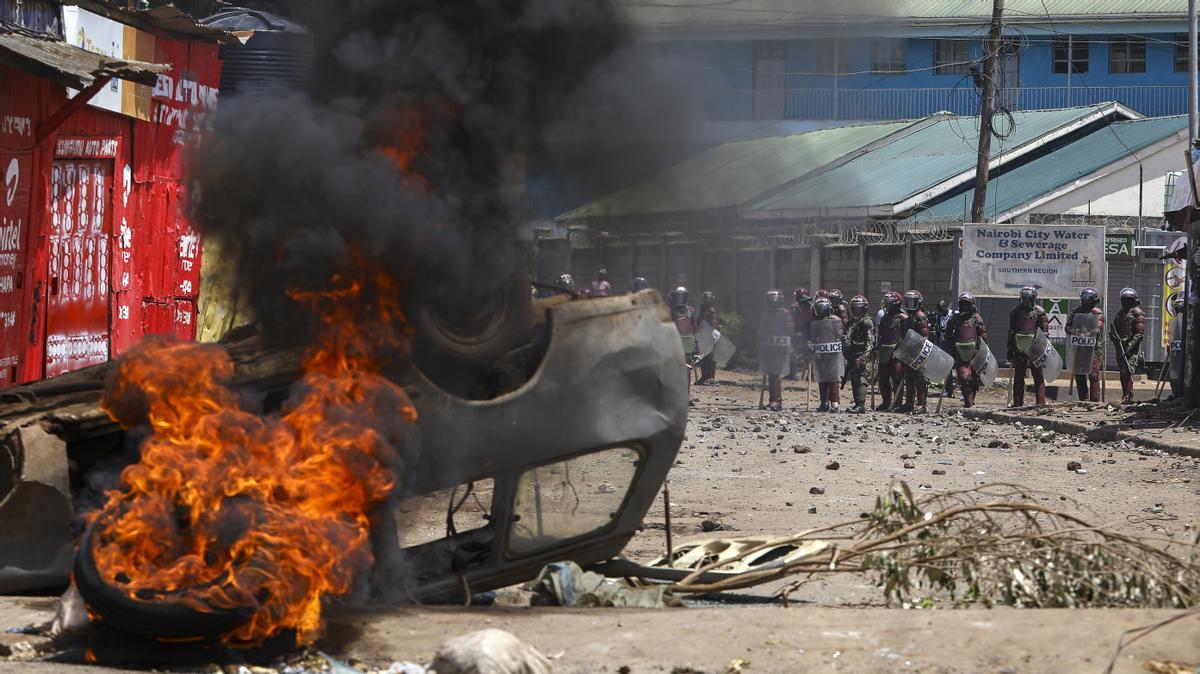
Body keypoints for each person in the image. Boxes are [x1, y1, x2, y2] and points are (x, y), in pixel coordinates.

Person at [1008, 286, 1050, 407]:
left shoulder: (1039, 312)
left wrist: (1043, 349)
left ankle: (1040, 403)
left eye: (1029, 298)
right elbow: (1011, 331)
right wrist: (1010, 348)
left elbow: (1045, 332)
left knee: (1038, 377)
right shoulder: (1015, 311)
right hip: (1019, 348)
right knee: (1019, 377)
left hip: (1035, 349)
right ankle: (1017, 403)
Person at [946, 292, 988, 408]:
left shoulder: (976, 318)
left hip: (974, 352)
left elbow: (983, 334)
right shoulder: (955, 318)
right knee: (964, 378)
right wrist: (952, 344)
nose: (964, 306)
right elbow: (948, 333)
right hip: (960, 351)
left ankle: (971, 400)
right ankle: (968, 403)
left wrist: (982, 348)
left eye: (967, 304)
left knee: (974, 379)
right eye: (962, 304)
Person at [1066, 288, 1105, 402]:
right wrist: (1074, 331)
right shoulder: (1076, 311)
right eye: (1085, 298)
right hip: (1079, 348)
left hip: (1093, 348)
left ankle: (1094, 401)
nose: (1086, 301)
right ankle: (1083, 400)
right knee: (1079, 374)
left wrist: (1088, 333)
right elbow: (1068, 326)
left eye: (1089, 298)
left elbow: (1098, 327)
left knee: (1093, 375)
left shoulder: (1097, 313)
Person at [759, 289, 794, 412]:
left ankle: (776, 401)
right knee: (771, 375)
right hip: (768, 349)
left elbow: (790, 330)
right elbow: (762, 330)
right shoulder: (766, 315)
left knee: (774, 375)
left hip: (780, 349)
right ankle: (773, 400)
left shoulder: (785, 314)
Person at [875, 291, 909, 411]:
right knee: (883, 377)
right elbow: (881, 334)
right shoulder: (884, 318)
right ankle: (886, 401)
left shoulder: (904, 318)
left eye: (889, 303)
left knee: (897, 376)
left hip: (898, 352)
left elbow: (907, 337)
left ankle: (897, 402)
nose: (886, 306)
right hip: (885, 351)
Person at [1110, 287, 1146, 403]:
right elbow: (1114, 329)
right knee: (1122, 371)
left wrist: (1129, 347)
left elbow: (1139, 334)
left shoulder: (1137, 313)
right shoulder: (1120, 313)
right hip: (1120, 347)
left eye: (1129, 300)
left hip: (1132, 348)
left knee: (1128, 370)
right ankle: (1124, 393)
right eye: (1125, 300)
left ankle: (1128, 395)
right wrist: (1114, 339)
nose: (1127, 302)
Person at [843, 294, 876, 414]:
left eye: (859, 308)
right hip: (852, 354)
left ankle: (861, 405)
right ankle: (857, 403)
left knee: (860, 378)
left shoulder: (867, 322)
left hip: (861, 353)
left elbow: (870, 341)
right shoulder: (852, 322)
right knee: (854, 379)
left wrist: (865, 357)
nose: (856, 310)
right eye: (854, 308)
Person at [900, 290, 930, 414]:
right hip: (909, 352)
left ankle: (921, 404)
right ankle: (909, 404)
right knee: (909, 379)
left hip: (919, 353)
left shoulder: (920, 317)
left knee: (920, 379)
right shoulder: (908, 317)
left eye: (913, 302)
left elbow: (924, 338)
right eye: (908, 301)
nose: (910, 304)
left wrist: (917, 353)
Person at [932, 299, 956, 397]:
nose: (941, 312)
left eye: (942, 309)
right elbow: (938, 329)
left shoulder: (953, 315)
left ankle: (963, 391)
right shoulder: (939, 316)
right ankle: (948, 389)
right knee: (946, 367)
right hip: (943, 344)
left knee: (958, 367)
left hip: (952, 344)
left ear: (946, 307)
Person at [789, 288, 814, 380]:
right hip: (799, 332)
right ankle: (793, 373)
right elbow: (794, 321)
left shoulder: (810, 308)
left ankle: (809, 374)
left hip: (808, 331)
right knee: (795, 352)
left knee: (808, 353)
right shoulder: (795, 308)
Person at [696, 291, 720, 385]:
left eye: (708, 299)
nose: (706, 301)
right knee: (703, 357)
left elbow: (713, 324)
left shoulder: (711, 310)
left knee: (710, 358)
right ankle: (704, 376)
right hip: (702, 335)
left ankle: (711, 378)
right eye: (705, 299)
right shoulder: (703, 309)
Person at [1168, 294, 1186, 400]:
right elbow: (1175, 338)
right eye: (1177, 308)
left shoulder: (1191, 323)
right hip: (1176, 355)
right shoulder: (1174, 323)